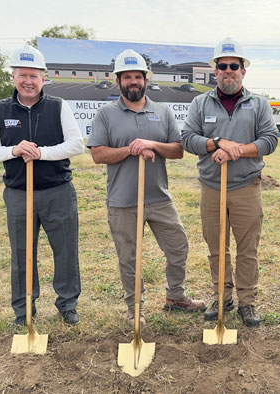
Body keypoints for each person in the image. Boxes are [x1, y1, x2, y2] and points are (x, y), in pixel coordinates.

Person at [88, 49, 205, 327]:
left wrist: (152, 144)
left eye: (137, 77)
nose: (133, 82)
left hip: (158, 198)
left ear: (146, 80)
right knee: (129, 258)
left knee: (178, 246)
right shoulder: (106, 114)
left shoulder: (162, 112)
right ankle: (134, 308)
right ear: (118, 82)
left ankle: (176, 296)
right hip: (122, 201)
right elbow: (98, 154)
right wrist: (130, 149)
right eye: (127, 77)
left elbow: (178, 150)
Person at [0, 46, 84, 327]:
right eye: (22, 75)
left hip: (57, 191)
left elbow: (77, 145)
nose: (28, 81)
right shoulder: (0, 109)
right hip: (18, 193)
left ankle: (67, 304)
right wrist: (14, 150)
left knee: (65, 251)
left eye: (34, 76)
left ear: (43, 79)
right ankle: (24, 309)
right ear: (13, 77)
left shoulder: (58, 106)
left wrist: (42, 153)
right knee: (22, 254)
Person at [181, 37, 278, 327]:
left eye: (233, 66)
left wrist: (237, 150)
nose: (228, 71)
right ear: (215, 71)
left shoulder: (258, 103)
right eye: (222, 66)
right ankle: (222, 295)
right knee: (216, 247)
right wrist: (217, 143)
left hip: (247, 187)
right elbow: (188, 139)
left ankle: (247, 301)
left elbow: (270, 140)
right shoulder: (200, 103)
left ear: (243, 71)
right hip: (211, 187)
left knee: (247, 248)